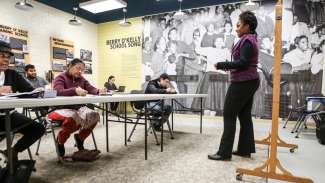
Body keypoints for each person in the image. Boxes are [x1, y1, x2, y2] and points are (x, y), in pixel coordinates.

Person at [208, 11, 260, 161]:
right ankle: (245, 150)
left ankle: (224, 153)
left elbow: (243, 62)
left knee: (229, 114)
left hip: (243, 82)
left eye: (238, 25)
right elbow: (244, 62)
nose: (236, 28)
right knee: (244, 116)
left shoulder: (247, 40)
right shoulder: (249, 39)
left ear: (247, 26)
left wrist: (222, 64)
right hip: (249, 81)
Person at [48, 58, 106, 157]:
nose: (80, 72)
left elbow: (90, 88)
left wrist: (98, 91)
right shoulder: (60, 77)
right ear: (70, 66)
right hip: (59, 108)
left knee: (94, 115)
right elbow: (58, 91)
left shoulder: (81, 79)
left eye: (82, 70)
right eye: (78, 68)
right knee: (73, 118)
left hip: (76, 108)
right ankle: (60, 141)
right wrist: (74, 90)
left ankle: (80, 138)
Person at [0, 41, 45, 163]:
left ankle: (12, 151)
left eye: (8, 57)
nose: (6, 60)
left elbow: (29, 91)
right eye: (2, 56)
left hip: (10, 114)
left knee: (38, 128)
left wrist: (38, 91)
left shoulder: (12, 74)